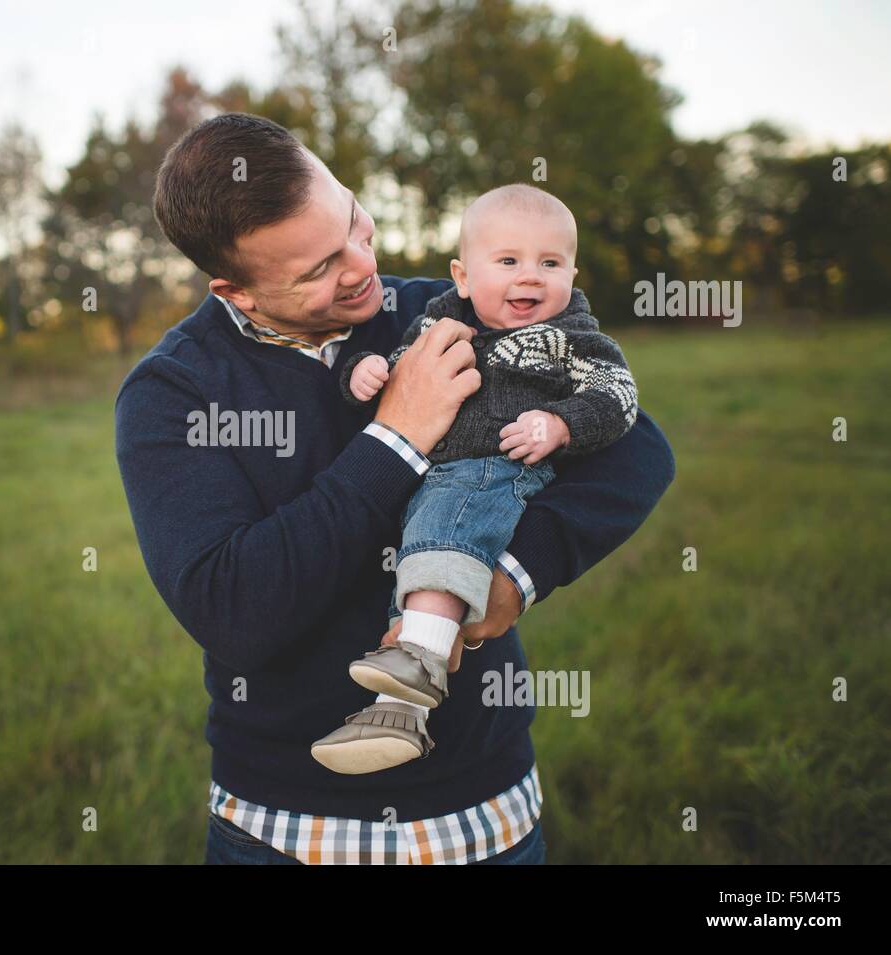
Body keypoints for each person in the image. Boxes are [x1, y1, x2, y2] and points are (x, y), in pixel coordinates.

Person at [114, 113, 675, 864]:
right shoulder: (172, 392)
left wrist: (516, 573)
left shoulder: (443, 312)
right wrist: (395, 439)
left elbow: (638, 449)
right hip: (284, 826)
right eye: (318, 270)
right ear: (238, 290)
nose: (360, 265)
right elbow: (234, 609)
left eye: (352, 219)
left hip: (484, 807)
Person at [311, 183, 638, 775]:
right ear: (462, 276)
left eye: (550, 263)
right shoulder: (437, 321)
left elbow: (618, 397)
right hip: (430, 479)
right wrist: (365, 373)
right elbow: (402, 374)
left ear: (572, 273)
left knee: (447, 532)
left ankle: (417, 662)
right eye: (509, 261)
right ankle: (398, 714)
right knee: (421, 567)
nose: (531, 278)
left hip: (496, 469)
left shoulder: (571, 339)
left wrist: (560, 423)